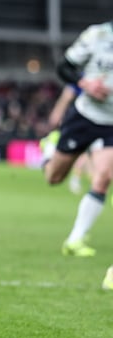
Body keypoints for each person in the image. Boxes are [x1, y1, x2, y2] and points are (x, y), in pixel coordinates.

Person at [41, 21, 113, 257]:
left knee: (103, 178)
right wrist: (85, 83)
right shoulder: (97, 35)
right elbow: (64, 67)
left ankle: (75, 239)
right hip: (84, 117)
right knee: (54, 177)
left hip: (111, 124)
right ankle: (49, 149)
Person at [41, 84, 98, 195]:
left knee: (101, 174)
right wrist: (57, 114)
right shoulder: (89, 77)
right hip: (82, 122)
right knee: (54, 176)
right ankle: (49, 149)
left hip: (104, 125)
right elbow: (69, 92)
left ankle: (87, 186)